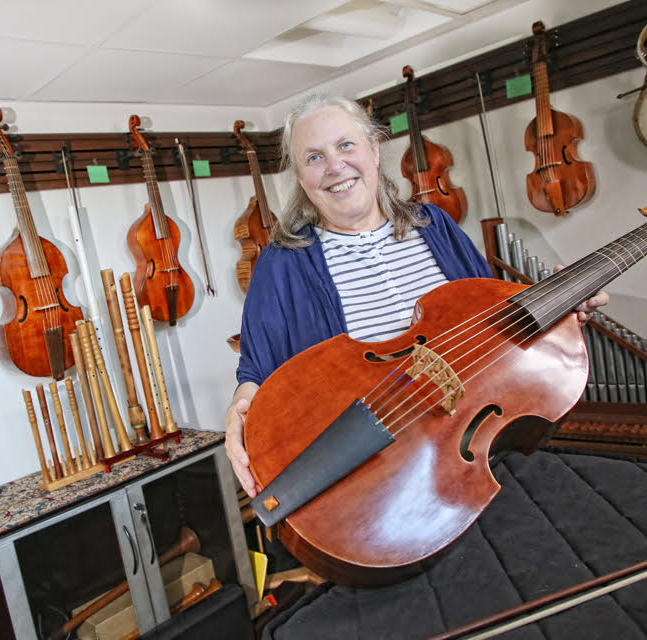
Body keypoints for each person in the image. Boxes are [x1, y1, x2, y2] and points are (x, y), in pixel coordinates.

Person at [224, 94, 607, 497]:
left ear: (373, 149)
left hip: (477, 441)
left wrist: (560, 308)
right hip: (376, 473)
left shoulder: (434, 224)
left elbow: (494, 322)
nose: (335, 166)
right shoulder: (281, 262)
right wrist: (239, 410)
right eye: (314, 158)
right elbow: (256, 374)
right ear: (301, 178)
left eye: (345, 145)